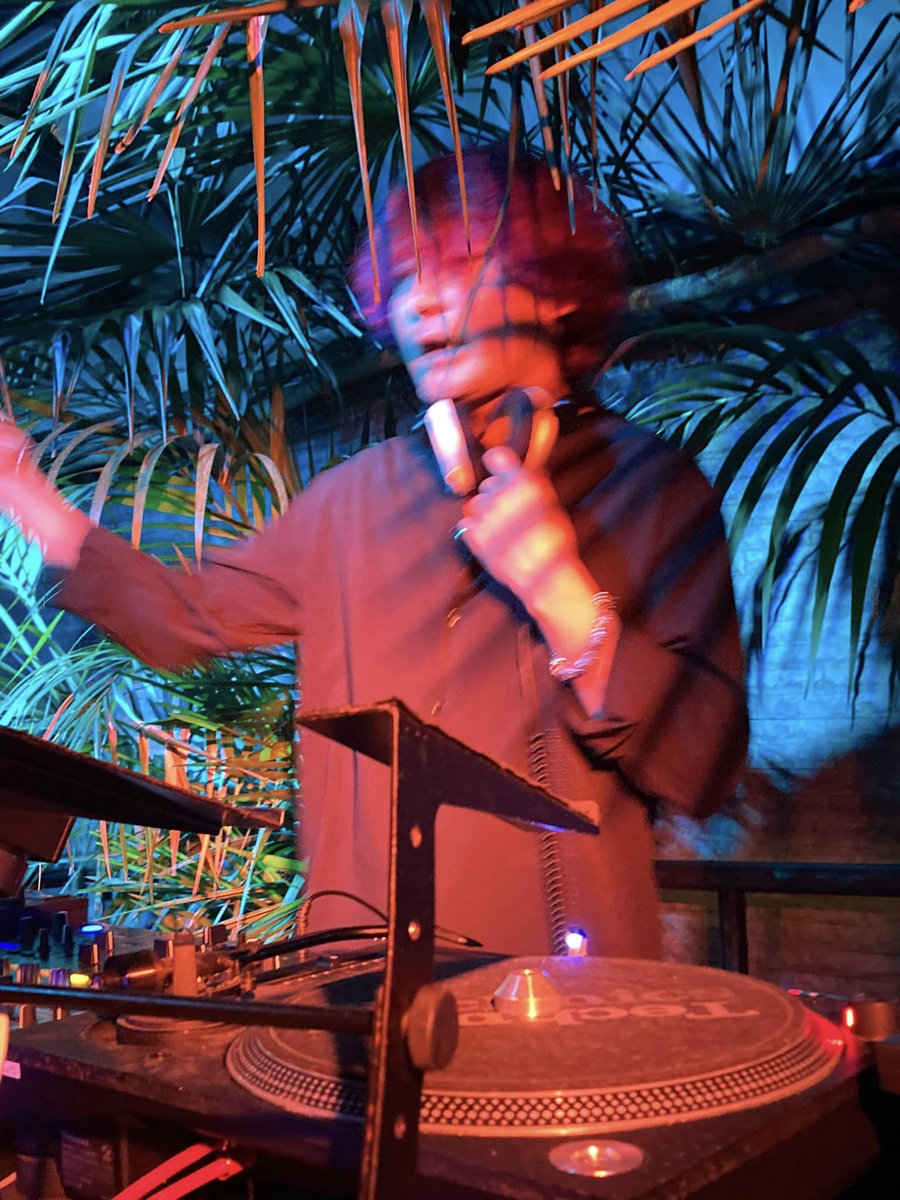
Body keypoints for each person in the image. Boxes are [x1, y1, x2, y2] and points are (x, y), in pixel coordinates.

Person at [0, 145, 747, 959]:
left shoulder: (650, 487)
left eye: (459, 267)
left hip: (572, 1004)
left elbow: (702, 767)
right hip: (363, 988)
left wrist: (560, 591)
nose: (419, 303)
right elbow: (181, 618)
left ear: (557, 286)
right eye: (403, 281)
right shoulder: (350, 499)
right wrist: (21, 488)